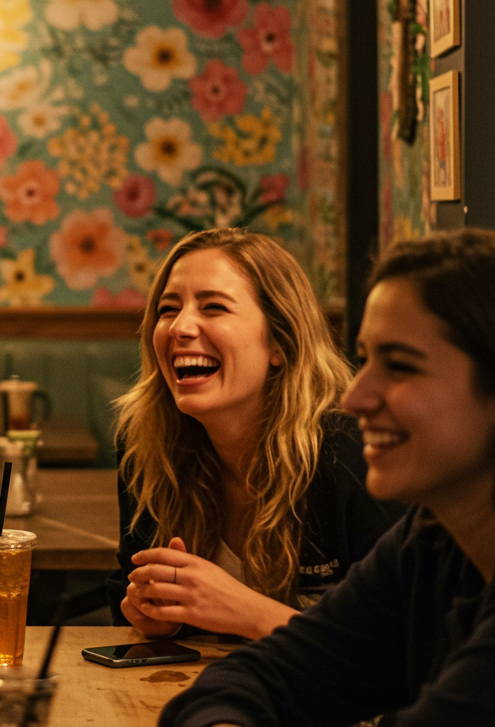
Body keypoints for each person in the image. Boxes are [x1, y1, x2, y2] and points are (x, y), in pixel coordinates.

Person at [160, 229, 495, 726]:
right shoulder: (431, 540)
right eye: (365, 360)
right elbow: (264, 677)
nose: (353, 397)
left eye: (400, 366)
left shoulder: (350, 468)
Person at [108, 228, 401, 640]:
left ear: (279, 343)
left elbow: (403, 642)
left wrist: (246, 612)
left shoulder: (351, 450)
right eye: (167, 309)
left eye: (213, 307)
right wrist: (154, 615)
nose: (179, 327)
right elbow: (128, 594)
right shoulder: (147, 445)